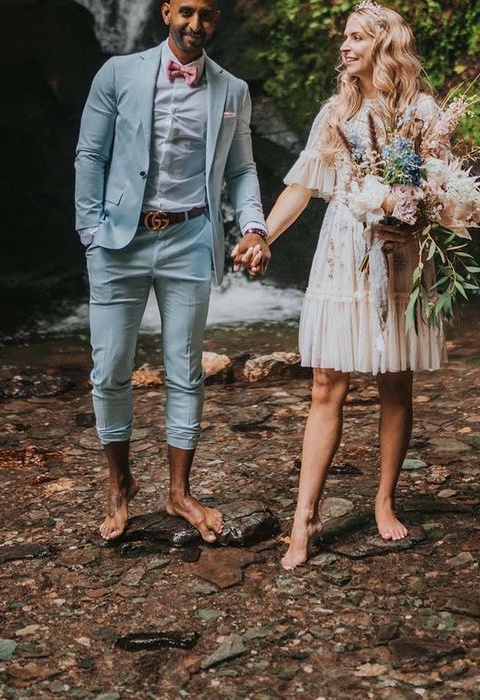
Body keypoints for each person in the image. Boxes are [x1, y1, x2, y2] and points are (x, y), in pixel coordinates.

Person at [255, 1, 446, 569]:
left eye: (357, 38)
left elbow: (444, 186)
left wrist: (418, 210)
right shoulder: (335, 111)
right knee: (325, 383)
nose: (344, 46)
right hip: (343, 254)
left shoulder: (425, 111)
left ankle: (384, 500)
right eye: (344, 37)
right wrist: (262, 234)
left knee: (395, 380)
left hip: (398, 255)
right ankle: (303, 517)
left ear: (384, 47)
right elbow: (303, 185)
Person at [75, 0, 271, 542]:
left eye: (207, 15)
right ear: (165, 12)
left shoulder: (232, 90)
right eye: (186, 11)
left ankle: (179, 492)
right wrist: (89, 231)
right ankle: (120, 483)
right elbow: (90, 155)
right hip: (119, 239)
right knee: (110, 367)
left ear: (216, 21)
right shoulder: (117, 74)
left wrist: (253, 226)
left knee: (185, 369)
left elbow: (243, 168)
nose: (195, 24)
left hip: (189, 239)